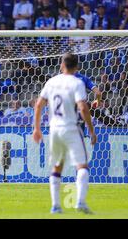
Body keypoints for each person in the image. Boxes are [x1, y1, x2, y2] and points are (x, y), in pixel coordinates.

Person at [33, 53, 97, 214]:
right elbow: (83, 108)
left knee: (57, 167)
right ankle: (80, 202)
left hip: (54, 129)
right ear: (77, 67)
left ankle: (55, 206)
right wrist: (91, 130)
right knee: (82, 166)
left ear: (62, 65)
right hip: (71, 128)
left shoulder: (51, 81)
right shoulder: (77, 83)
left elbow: (39, 105)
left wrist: (37, 128)